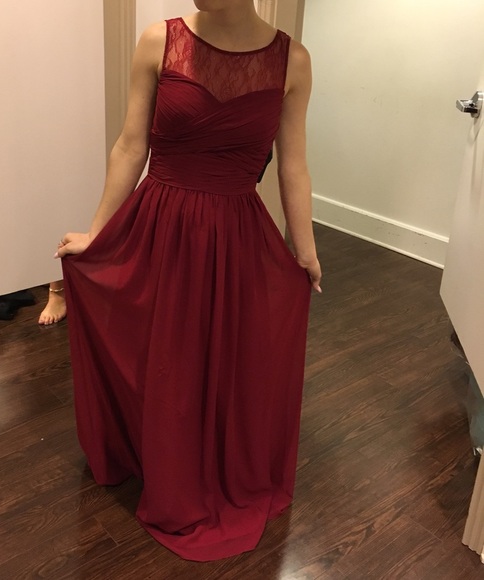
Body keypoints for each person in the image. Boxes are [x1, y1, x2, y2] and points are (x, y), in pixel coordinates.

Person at [56, 0, 322, 562]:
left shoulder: (292, 61)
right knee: (165, 360)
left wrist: (305, 249)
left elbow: (293, 164)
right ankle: (160, 461)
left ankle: (203, 467)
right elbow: (131, 146)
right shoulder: (159, 40)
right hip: (160, 225)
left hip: (236, 236)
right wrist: (98, 234)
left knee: (223, 360)